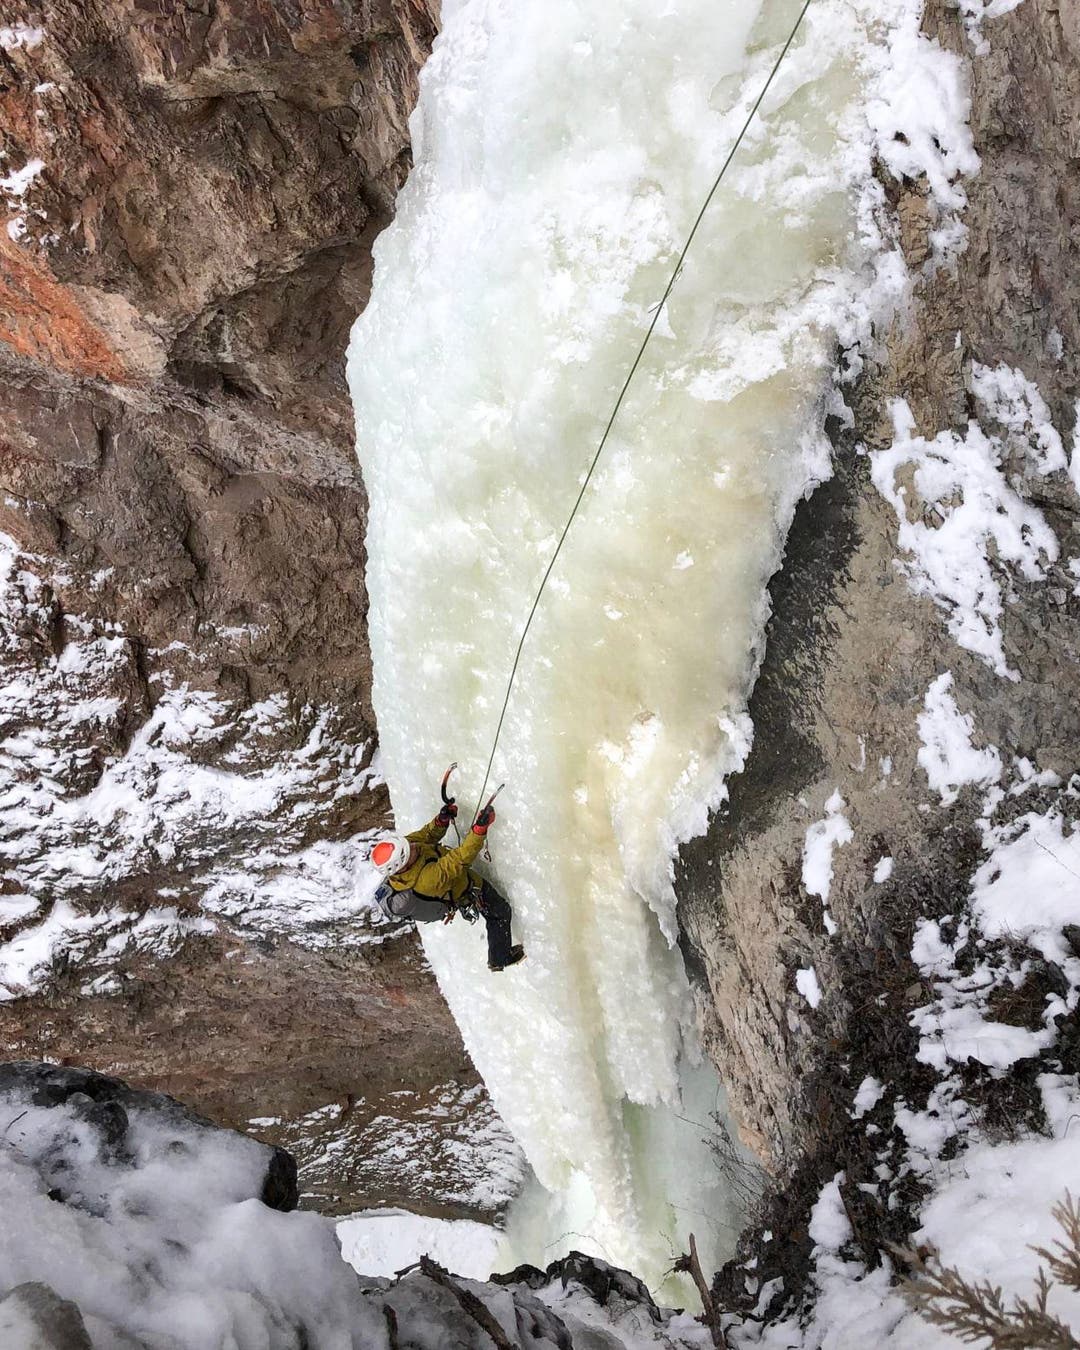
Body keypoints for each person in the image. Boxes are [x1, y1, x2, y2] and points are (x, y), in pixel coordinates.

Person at [369, 796, 525, 972]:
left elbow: (426, 835)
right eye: (409, 848)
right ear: (402, 865)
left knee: (497, 911)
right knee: (499, 913)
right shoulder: (427, 880)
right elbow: (460, 859)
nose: (413, 845)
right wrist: (480, 830)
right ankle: (500, 958)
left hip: (457, 878)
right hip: (467, 890)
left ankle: (499, 956)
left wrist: (441, 821)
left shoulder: (405, 850)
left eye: (408, 844)